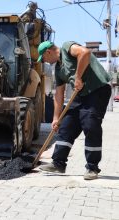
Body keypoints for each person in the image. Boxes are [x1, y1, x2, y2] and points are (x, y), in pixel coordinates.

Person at [37, 41, 112, 180]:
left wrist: (78, 77)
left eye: (44, 58)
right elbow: (59, 94)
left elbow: (85, 53)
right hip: (80, 94)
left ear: (48, 52)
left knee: (90, 125)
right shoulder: (58, 70)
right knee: (67, 125)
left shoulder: (66, 47)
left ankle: (92, 167)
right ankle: (58, 163)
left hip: (98, 89)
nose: (45, 62)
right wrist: (55, 118)